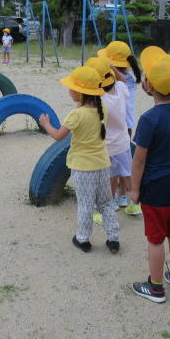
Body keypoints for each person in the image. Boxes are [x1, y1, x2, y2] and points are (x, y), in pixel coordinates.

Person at [38, 66, 120, 254]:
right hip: (102, 164)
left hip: (83, 168)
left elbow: (58, 136)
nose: (69, 90)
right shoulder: (102, 108)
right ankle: (113, 238)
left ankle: (83, 239)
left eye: (72, 87)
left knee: (85, 205)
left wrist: (46, 124)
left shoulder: (76, 115)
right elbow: (86, 112)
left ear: (81, 93)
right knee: (105, 203)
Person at [131, 46, 170, 304]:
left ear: (150, 86)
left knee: (155, 238)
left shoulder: (149, 119)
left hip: (156, 185)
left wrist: (134, 189)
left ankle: (155, 287)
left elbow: (139, 159)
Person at [85, 57, 140, 220]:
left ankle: (105, 210)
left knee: (107, 177)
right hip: (123, 143)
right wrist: (111, 67)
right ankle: (135, 204)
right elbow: (123, 80)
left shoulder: (99, 99)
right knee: (127, 173)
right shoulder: (121, 88)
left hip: (106, 146)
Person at [98, 40, 142, 215]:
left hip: (119, 128)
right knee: (123, 165)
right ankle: (122, 196)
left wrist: (109, 68)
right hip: (124, 127)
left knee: (115, 166)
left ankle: (117, 198)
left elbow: (118, 81)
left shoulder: (121, 82)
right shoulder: (125, 79)